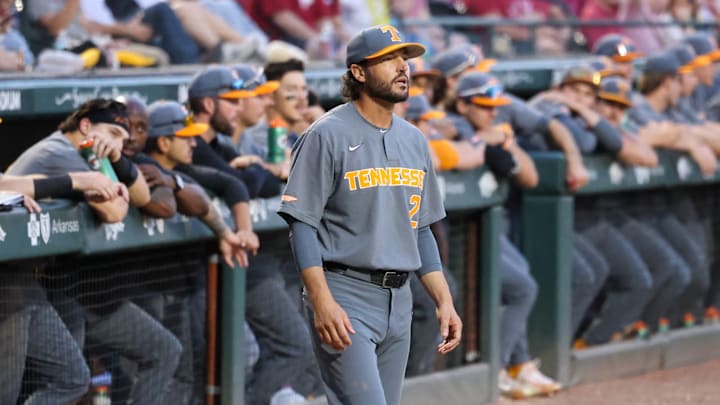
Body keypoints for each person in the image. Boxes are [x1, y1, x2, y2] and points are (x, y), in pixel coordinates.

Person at [278, 25, 462, 405]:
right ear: (358, 72)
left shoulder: (413, 139)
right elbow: (302, 223)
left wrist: (443, 299)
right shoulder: (327, 134)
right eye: (388, 59)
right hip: (345, 293)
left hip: (400, 298)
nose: (403, 68)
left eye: (405, 59)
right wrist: (322, 300)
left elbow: (421, 229)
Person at [452, 70, 561, 398]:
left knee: (522, 280)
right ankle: (495, 369)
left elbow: (530, 177)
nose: (492, 112)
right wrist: (481, 141)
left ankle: (518, 363)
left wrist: (506, 142)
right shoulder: (453, 125)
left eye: (495, 106)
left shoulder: (495, 129)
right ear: (462, 105)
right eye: (484, 106)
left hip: (488, 228)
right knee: (523, 288)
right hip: (459, 230)